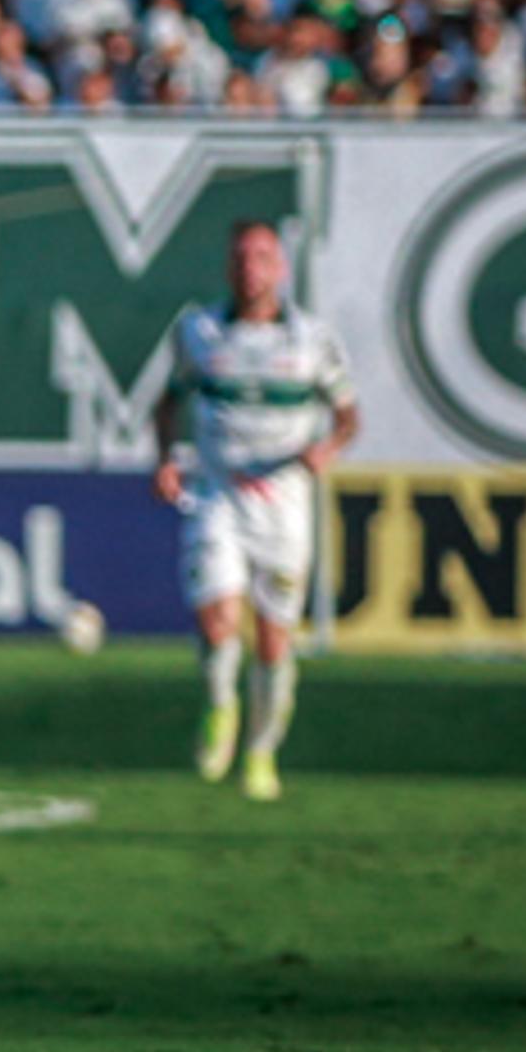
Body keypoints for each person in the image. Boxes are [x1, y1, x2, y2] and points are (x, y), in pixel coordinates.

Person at [152, 220, 358, 803]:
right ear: (228, 268)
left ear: (281, 269)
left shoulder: (312, 341)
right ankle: (221, 704)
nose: (251, 269)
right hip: (218, 496)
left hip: (284, 509)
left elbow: (348, 416)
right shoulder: (199, 332)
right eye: (241, 258)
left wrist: (329, 446)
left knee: (273, 642)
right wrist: (166, 460)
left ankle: (263, 750)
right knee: (217, 620)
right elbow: (166, 404)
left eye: (263, 258)